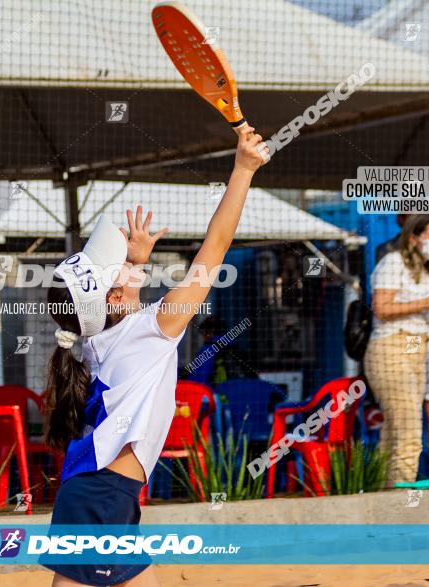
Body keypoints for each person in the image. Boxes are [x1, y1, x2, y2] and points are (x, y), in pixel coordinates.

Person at [40, 127, 268, 586]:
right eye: (119, 267)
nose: (126, 257)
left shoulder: (95, 340)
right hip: (103, 492)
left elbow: (115, 314)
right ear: (116, 295)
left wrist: (135, 266)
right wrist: (243, 169)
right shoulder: (151, 329)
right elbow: (216, 248)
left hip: (98, 489)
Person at [365, 214, 429, 485]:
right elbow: (381, 309)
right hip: (391, 347)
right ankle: (400, 504)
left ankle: (382, 494)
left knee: (394, 432)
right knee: (409, 432)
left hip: (418, 348)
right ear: (415, 238)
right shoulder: (393, 262)